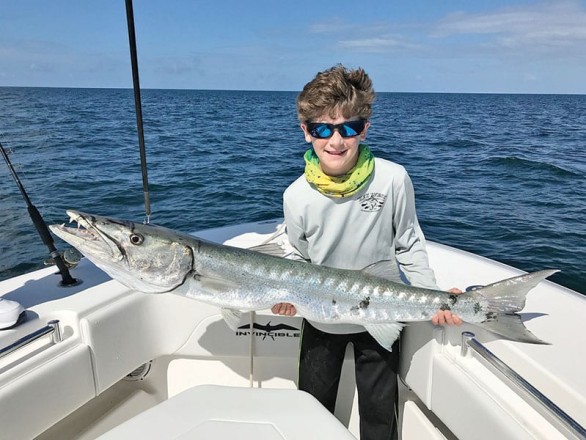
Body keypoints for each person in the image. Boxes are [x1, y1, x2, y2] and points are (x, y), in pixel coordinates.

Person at [272, 64, 462, 440]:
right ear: (306, 132)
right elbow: (298, 256)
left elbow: (408, 243)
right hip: (319, 321)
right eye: (323, 129)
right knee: (310, 411)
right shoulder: (295, 196)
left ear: (365, 129)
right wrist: (285, 297)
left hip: (381, 320)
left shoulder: (393, 178)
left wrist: (435, 297)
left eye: (349, 127)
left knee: (379, 418)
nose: (336, 141)